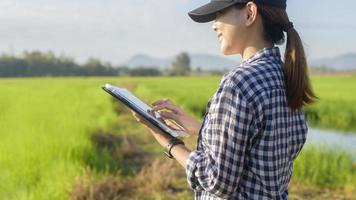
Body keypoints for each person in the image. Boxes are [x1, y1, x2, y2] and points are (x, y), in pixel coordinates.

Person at [131, 0, 317, 199]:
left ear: (249, 13)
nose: (214, 25)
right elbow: (256, 142)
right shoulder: (286, 75)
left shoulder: (238, 83)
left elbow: (216, 180)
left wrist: (166, 140)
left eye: (219, 13)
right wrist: (202, 128)